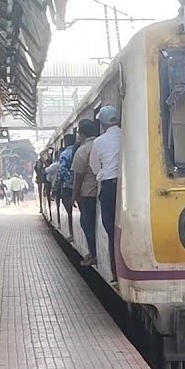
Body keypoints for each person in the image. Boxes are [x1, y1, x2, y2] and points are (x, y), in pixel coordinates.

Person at [90, 105, 123, 281]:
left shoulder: (98, 142)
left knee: (111, 231)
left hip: (109, 187)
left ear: (102, 123)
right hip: (129, 186)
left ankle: (116, 274)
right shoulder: (128, 136)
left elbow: (95, 168)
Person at [72, 120, 101, 266]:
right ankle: (97, 253)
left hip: (88, 194)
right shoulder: (101, 143)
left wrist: (74, 196)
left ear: (82, 134)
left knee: (87, 225)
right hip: (103, 191)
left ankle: (94, 255)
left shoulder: (82, 150)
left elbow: (78, 177)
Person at [56, 133, 78, 240]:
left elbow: (62, 170)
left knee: (69, 210)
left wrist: (69, 180)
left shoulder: (64, 154)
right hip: (80, 184)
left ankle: (72, 233)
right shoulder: (78, 150)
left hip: (67, 187)